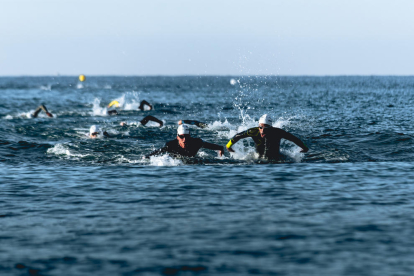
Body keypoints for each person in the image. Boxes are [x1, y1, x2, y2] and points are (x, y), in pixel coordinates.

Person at [226, 114, 309, 160]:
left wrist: (304, 148)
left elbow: (294, 138)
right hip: (257, 157)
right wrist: (228, 146)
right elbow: (238, 136)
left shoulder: (277, 132)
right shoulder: (254, 131)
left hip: (276, 158)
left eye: (265, 129)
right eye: (260, 128)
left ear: (271, 128)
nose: (262, 131)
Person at [146, 124, 224, 158]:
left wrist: (220, 152)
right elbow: (154, 154)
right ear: (177, 137)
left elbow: (218, 147)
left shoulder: (196, 143)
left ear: (189, 136)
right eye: (181, 137)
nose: (184, 140)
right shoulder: (170, 145)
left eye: (186, 137)